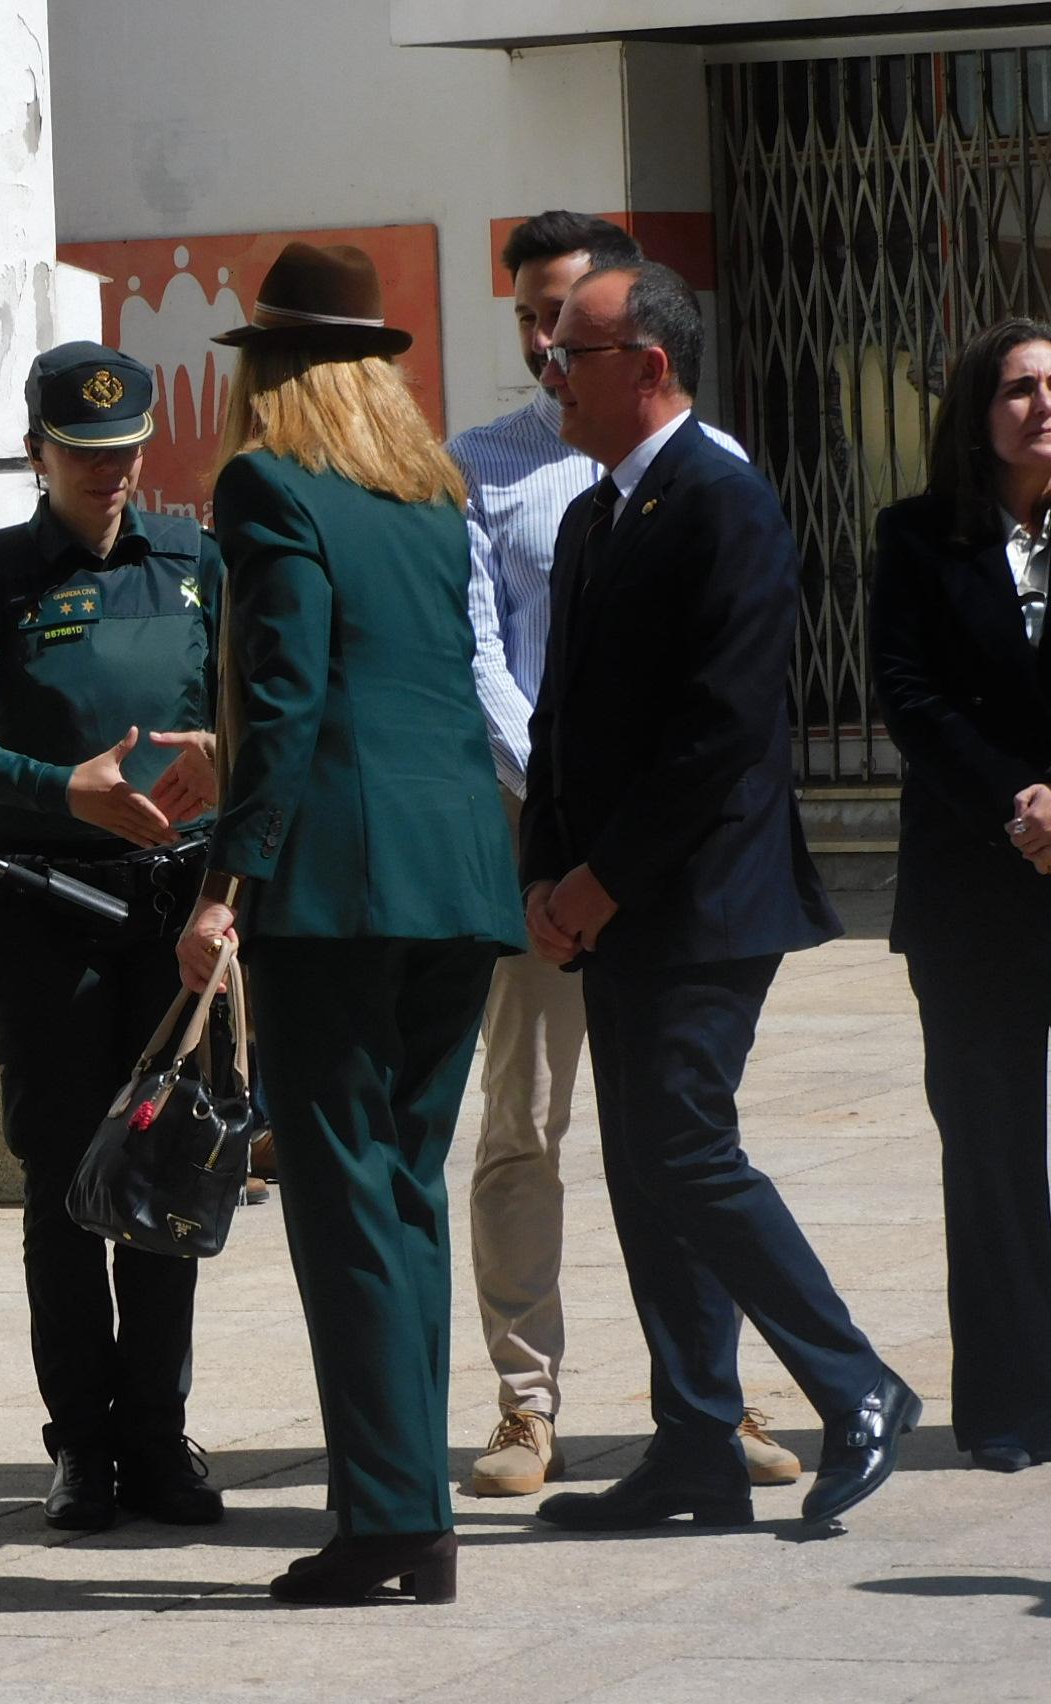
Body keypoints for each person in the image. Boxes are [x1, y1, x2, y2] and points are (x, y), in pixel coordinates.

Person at [522, 261, 917, 1531]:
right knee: (642, 1166)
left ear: (647, 366)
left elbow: (720, 729)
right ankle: (694, 1438)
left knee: (687, 1145)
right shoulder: (594, 518)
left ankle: (853, 1385)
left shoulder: (722, 503)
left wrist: (600, 878)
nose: (546, 374)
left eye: (567, 354)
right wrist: (546, 873)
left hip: (701, 900)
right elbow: (562, 720)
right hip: (608, 901)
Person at [178, 243, 526, 1605]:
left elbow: (285, 695)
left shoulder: (269, 485)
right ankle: (407, 1511)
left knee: (341, 1193)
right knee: (403, 1188)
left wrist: (227, 879)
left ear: (270, 371)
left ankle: (390, 1522)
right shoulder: (431, 498)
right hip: (455, 875)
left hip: (340, 884)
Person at [448, 213, 799, 1498]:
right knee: (525, 1128)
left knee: (679, 1132)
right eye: (531, 321)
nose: (546, 349)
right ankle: (523, 1406)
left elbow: (716, 696)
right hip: (536, 836)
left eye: (567, 324)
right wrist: (555, 833)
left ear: (630, 340)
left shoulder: (698, 468)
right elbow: (480, 651)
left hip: (655, 855)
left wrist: (618, 844)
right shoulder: (480, 465)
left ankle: (714, 1400)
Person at [0, 340, 226, 1532]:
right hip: (48, 913)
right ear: (35, 454)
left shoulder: (194, 561)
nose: (110, 475)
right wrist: (62, 789)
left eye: (127, 453)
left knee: (165, 1172)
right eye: (84, 456)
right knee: (63, 1183)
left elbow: (249, 712)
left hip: (175, 912)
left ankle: (158, 1435)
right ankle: (81, 1447)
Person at [871, 315, 1051, 1472]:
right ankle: (1005, 1402)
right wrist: (1022, 804)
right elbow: (906, 694)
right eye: (1019, 388)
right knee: (986, 1154)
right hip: (972, 889)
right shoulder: (917, 536)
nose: (1042, 405)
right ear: (977, 415)